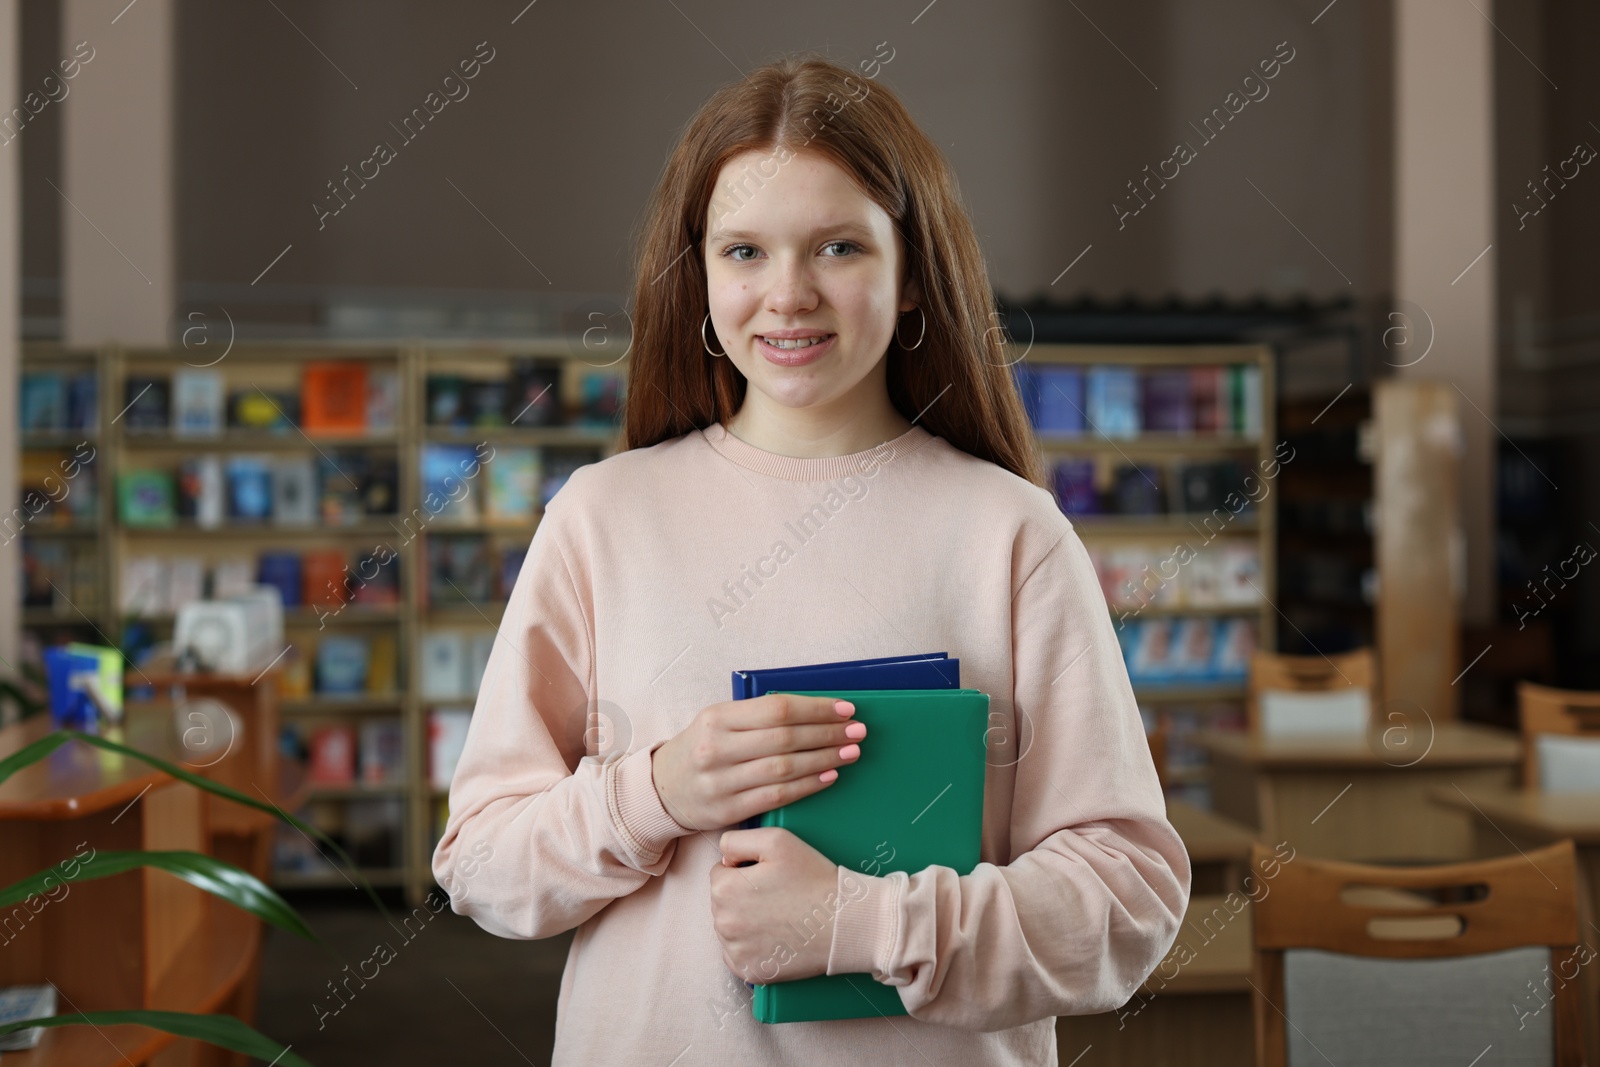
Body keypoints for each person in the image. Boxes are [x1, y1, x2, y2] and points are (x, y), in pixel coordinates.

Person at [431, 51, 1189, 1065]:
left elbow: (1127, 900)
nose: (787, 295)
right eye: (742, 251)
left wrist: (861, 922)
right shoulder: (601, 518)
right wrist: (656, 791)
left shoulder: (1010, 532)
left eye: (837, 246)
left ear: (912, 273)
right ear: (696, 276)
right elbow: (480, 862)